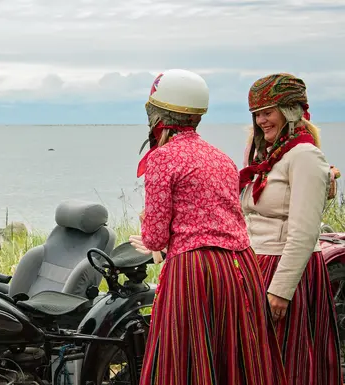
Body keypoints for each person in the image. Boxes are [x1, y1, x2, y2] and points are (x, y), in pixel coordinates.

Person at [131, 69, 286, 384]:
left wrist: (148, 227)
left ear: (158, 114)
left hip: (194, 269)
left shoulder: (163, 158)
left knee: (185, 361)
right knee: (234, 359)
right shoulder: (221, 158)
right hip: (240, 267)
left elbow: (156, 237)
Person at [239, 73, 342, 385]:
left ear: (289, 111)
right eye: (257, 114)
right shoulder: (265, 157)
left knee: (288, 366)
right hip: (256, 267)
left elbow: (304, 231)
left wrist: (281, 291)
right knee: (257, 364)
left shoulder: (305, 156)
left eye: (268, 112)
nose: (261, 121)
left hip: (287, 272)